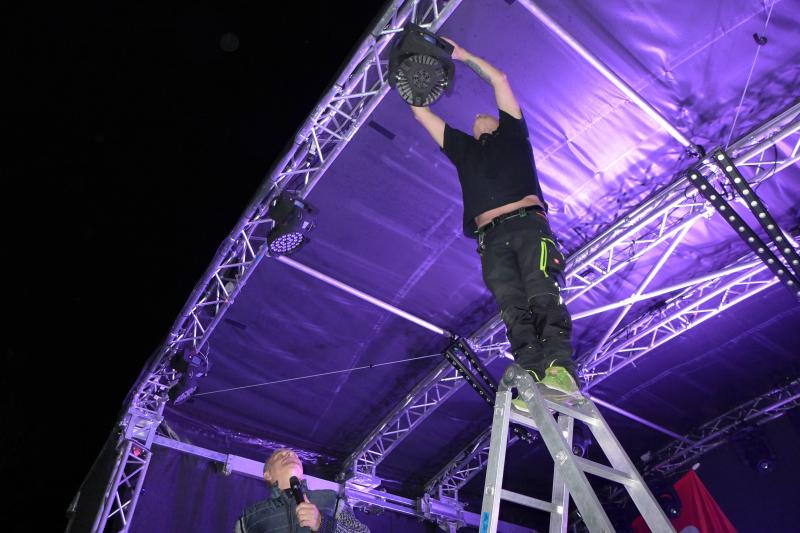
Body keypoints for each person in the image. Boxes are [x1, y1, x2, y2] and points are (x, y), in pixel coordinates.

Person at [408, 38, 580, 403]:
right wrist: (408, 79)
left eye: (484, 115)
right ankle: (534, 379)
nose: (476, 116)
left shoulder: (514, 135)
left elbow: (499, 79)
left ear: (499, 122)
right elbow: (422, 114)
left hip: (528, 226)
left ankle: (560, 370)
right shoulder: (464, 150)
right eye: (473, 120)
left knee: (542, 293)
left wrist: (463, 56)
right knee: (512, 309)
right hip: (490, 240)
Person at [234, 448, 369, 533]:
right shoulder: (250, 518)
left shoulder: (331, 500)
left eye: (295, 455)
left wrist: (322, 523)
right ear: (267, 475)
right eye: (280, 456)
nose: (289, 454)